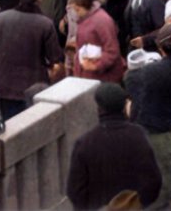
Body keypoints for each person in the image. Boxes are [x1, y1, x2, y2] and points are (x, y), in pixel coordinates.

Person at [67, 82, 162, 211]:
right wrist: (137, 204)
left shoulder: (84, 143)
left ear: (99, 109)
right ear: (124, 107)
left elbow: (75, 191)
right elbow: (153, 181)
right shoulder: (139, 135)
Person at [125, 23, 171, 210]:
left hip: (154, 131)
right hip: (170, 125)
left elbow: (131, 80)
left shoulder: (153, 72)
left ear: (160, 47)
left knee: (161, 180)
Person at [0, 0, 64, 120]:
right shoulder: (45, 24)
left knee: (10, 124)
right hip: (33, 85)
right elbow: (54, 56)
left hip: (5, 84)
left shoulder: (2, 18)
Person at [72, 0, 124, 83]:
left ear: (85, 5)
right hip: (88, 76)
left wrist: (96, 65)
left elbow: (112, 50)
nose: (76, 13)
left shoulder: (102, 21)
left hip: (104, 78)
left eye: (77, 10)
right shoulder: (83, 19)